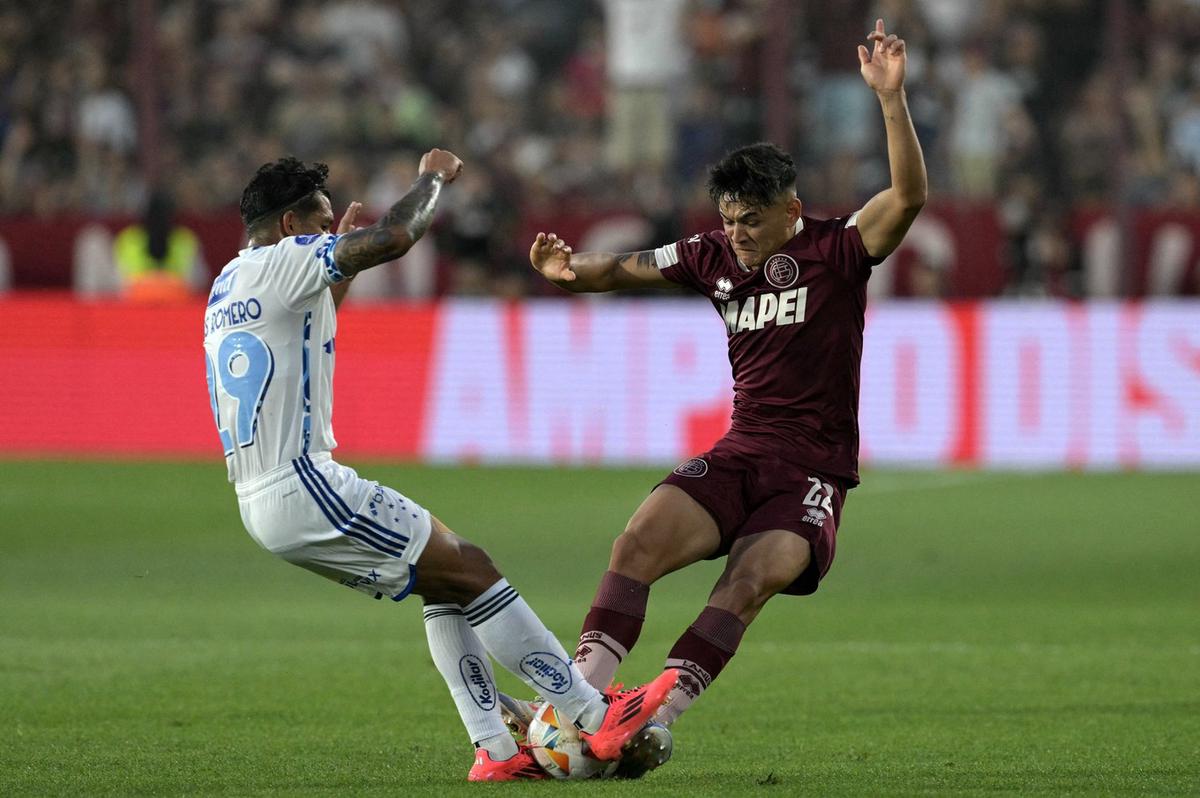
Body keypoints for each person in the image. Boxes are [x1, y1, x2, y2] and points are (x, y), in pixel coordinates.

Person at [526, 18, 927, 768]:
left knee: (749, 579)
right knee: (638, 539)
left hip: (812, 472)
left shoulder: (838, 250)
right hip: (741, 452)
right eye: (730, 219)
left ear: (791, 211)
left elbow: (908, 196)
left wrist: (891, 100)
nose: (737, 234)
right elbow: (624, 269)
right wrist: (568, 269)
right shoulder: (710, 255)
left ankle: (657, 713)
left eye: (752, 220)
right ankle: (583, 700)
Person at [202, 152, 676, 782]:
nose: (327, 232)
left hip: (262, 499)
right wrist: (433, 178)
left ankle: (498, 753)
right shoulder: (288, 259)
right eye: (317, 221)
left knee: (446, 581)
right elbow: (396, 236)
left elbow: (313, 312)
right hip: (307, 484)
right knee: (476, 572)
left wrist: (334, 254)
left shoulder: (230, 283)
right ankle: (591, 713)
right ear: (289, 224)